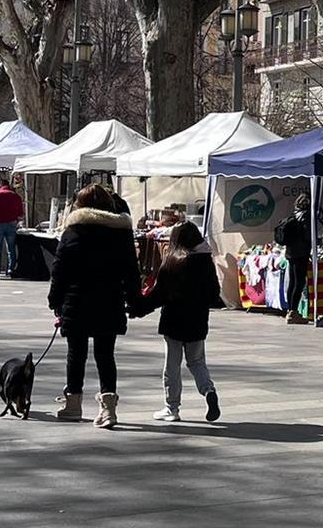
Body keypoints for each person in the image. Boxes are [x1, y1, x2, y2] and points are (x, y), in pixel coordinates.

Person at [46, 183, 140, 428]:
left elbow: (59, 270)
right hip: (110, 301)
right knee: (105, 355)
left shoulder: (73, 231)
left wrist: (54, 299)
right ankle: (108, 409)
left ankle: (73, 405)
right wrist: (135, 300)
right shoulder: (121, 233)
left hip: (76, 302)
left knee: (76, 354)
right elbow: (132, 271)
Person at [139, 220, 225, 422]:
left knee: (172, 366)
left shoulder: (173, 261)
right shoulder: (206, 261)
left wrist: (138, 307)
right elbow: (214, 294)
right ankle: (208, 391)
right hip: (197, 321)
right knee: (197, 362)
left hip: (173, 321)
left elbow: (158, 295)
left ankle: (172, 407)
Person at [274, 194, 313, 323]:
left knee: (292, 282)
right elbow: (307, 235)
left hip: (290, 252)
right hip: (301, 252)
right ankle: (293, 312)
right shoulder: (306, 216)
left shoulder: (294, 214)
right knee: (299, 282)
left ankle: (290, 310)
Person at [0, 178, 24, 280]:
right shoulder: (15, 196)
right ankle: (11, 269)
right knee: (11, 248)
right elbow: (20, 211)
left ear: (0, 185)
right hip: (11, 223)